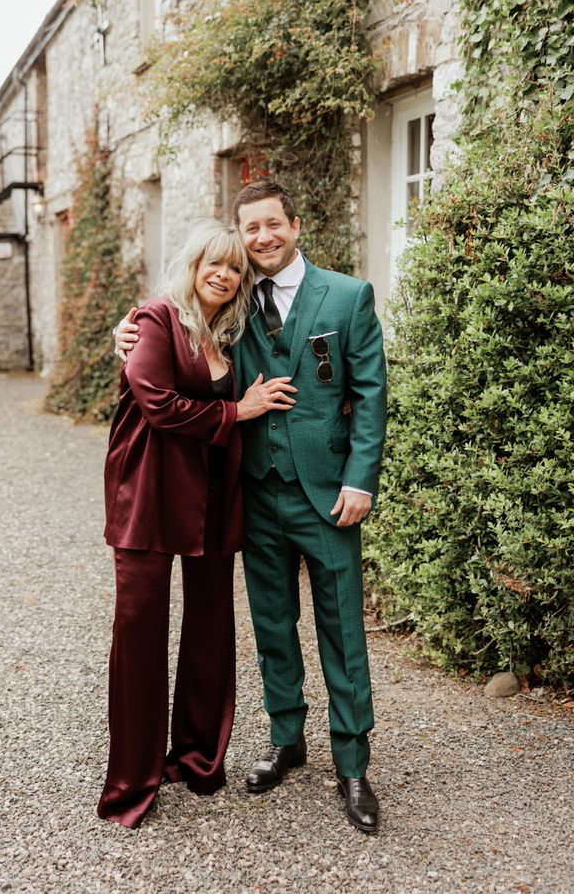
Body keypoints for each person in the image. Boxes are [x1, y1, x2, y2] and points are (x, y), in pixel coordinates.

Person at [114, 181, 387, 833]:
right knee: (270, 624)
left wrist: (360, 478)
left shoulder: (348, 297)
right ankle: (285, 740)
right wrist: (124, 332)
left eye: (272, 224)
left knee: (343, 631)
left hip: (328, 495)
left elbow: (371, 395)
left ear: (296, 223)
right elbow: (178, 342)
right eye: (250, 228)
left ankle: (352, 762)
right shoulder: (230, 305)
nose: (261, 237)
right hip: (253, 494)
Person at [98, 219, 296, 829]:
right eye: (213, 262)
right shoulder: (155, 319)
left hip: (213, 496)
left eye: (235, 268)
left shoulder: (230, 335)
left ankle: (197, 756)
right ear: (190, 264)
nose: (224, 274)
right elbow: (156, 404)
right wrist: (238, 410)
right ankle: (134, 778)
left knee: (211, 624)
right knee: (140, 629)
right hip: (150, 493)